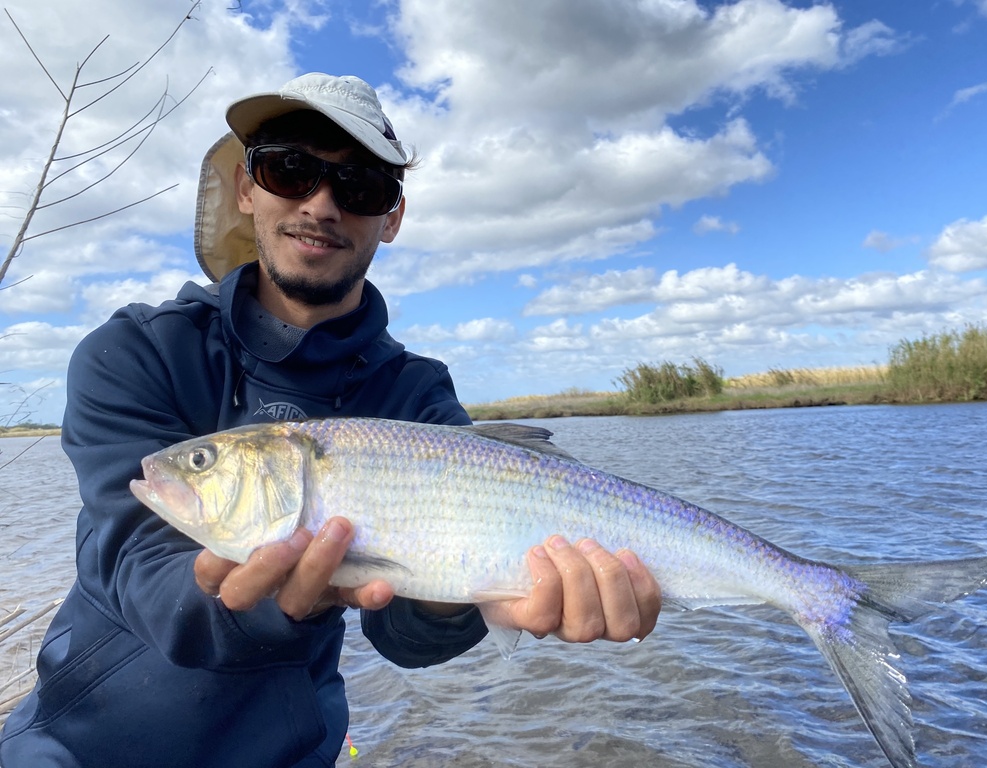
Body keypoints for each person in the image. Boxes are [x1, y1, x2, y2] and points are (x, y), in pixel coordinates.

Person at [0, 73, 662, 767]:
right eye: (290, 169)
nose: (321, 204)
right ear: (245, 187)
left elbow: (404, 638)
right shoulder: (136, 351)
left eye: (361, 187)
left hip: (296, 750)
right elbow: (138, 570)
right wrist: (264, 601)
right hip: (76, 745)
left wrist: (465, 594)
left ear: (392, 217)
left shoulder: (415, 393)